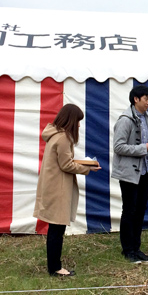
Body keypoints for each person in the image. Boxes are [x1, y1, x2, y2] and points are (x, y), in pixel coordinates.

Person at [34, 104, 101, 277]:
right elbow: (66, 164)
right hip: (58, 188)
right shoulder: (64, 137)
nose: (79, 125)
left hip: (53, 185)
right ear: (71, 120)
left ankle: (54, 265)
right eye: (78, 121)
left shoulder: (54, 134)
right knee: (57, 230)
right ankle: (55, 268)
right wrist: (88, 168)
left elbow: (64, 161)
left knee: (55, 229)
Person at [111, 85, 148, 264]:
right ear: (135, 99)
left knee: (140, 211)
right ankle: (127, 250)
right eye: (145, 98)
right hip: (129, 173)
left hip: (145, 171)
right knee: (129, 210)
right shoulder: (125, 119)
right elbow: (118, 147)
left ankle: (136, 248)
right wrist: (143, 148)